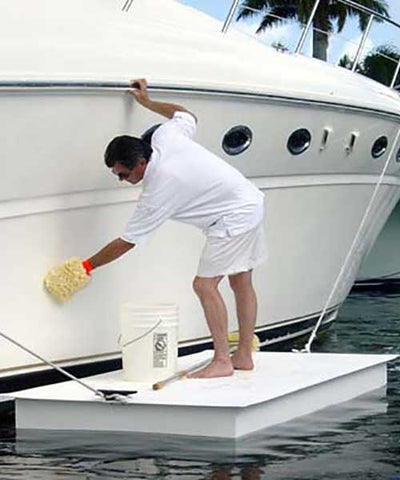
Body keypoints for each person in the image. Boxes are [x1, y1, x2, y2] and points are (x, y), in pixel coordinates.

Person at [85, 78, 266, 379]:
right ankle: (243, 355)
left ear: (142, 163)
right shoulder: (165, 138)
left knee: (204, 285)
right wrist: (147, 102)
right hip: (249, 201)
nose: (122, 180)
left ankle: (222, 360)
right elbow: (185, 114)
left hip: (233, 217)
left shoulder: (159, 188)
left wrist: (86, 265)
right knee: (240, 281)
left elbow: (127, 241)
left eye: (124, 174)